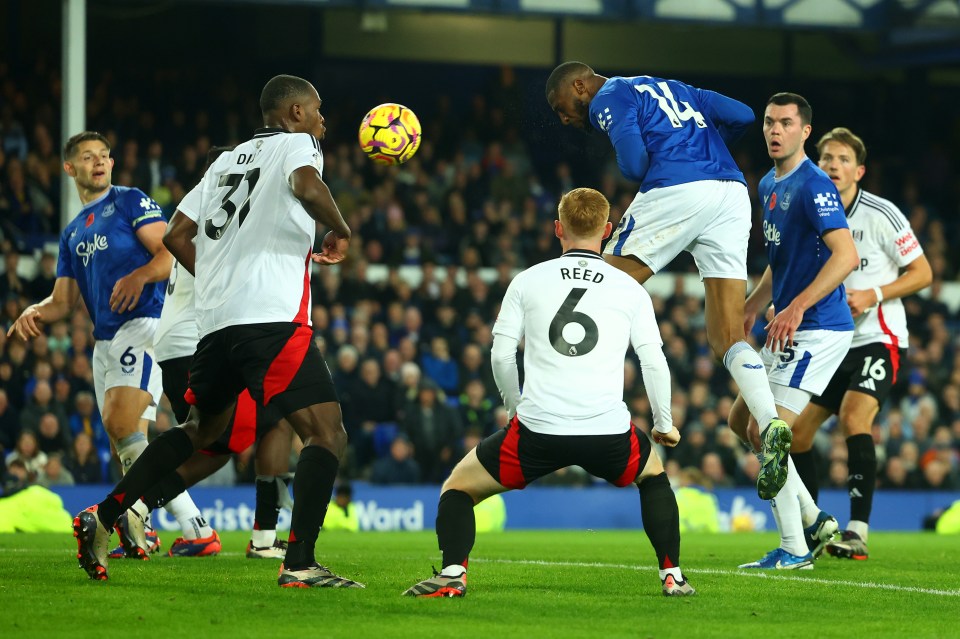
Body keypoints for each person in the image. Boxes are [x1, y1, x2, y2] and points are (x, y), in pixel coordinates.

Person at [72, 74, 362, 589]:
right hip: (272, 318)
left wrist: (220, 281)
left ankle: (109, 512)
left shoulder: (223, 162)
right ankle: (299, 563)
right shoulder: (299, 145)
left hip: (215, 324)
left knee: (199, 430)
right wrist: (340, 229)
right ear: (293, 113)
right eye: (317, 110)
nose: (323, 120)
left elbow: (178, 235)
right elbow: (306, 185)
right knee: (326, 433)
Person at [404, 188, 693, 598]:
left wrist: (515, 409)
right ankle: (672, 576)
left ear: (558, 229)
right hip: (607, 432)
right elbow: (654, 361)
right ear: (608, 231)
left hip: (536, 431)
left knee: (457, 488)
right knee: (653, 478)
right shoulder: (630, 289)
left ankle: (452, 574)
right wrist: (664, 424)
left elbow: (502, 354)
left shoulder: (528, 280)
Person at [546, 62, 790, 502]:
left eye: (560, 106)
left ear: (579, 85)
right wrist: (702, 146)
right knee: (727, 336)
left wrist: (672, 157)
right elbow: (742, 115)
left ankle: (572, 410)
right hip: (731, 190)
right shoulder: (674, 86)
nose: (562, 117)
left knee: (596, 284)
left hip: (676, 187)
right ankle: (771, 421)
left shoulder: (608, 96)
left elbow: (635, 163)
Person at [7, 131, 209, 556]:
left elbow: (168, 253)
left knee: (121, 423)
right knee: (127, 442)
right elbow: (63, 301)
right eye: (87, 157)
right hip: (106, 341)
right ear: (70, 168)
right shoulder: (73, 232)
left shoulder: (130, 200)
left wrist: (139, 276)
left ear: (112, 164)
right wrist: (34, 311)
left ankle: (174, 529)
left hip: (146, 323)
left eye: (103, 156)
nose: (98, 162)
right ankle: (173, 532)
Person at [791, 127, 932, 561]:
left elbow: (923, 273)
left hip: (879, 337)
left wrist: (873, 295)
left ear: (860, 170)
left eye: (843, 159)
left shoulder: (881, 214)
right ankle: (811, 526)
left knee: (855, 416)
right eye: (827, 158)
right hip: (832, 341)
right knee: (796, 434)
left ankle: (857, 531)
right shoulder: (810, 210)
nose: (833, 165)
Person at [731, 93, 859, 570]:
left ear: (806, 131)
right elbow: (779, 262)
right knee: (741, 420)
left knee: (769, 431)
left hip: (819, 327)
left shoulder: (814, 185)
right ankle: (813, 518)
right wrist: (753, 305)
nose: (774, 130)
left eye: (785, 123)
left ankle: (794, 547)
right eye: (769, 122)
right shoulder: (768, 182)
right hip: (787, 323)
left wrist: (798, 307)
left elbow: (846, 257)